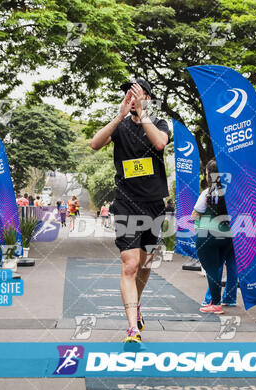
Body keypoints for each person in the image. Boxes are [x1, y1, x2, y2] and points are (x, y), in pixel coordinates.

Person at [90, 77, 169, 344]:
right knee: (130, 264)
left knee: (145, 264)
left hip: (154, 204)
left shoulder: (159, 123)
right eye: (127, 94)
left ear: (147, 97)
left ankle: (136, 309)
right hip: (125, 203)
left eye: (136, 93)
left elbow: (159, 144)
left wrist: (143, 116)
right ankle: (132, 328)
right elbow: (95, 144)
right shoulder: (120, 127)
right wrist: (119, 116)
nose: (131, 98)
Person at [192, 160, 238, 315]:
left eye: (206, 173)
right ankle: (223, 299)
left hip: (208, 234)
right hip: (229, 236)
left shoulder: (207, 193)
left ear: (210, 175)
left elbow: (195, 215)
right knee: (224, 266)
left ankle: (216, 303)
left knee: (212, 269)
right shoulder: (232, 192)